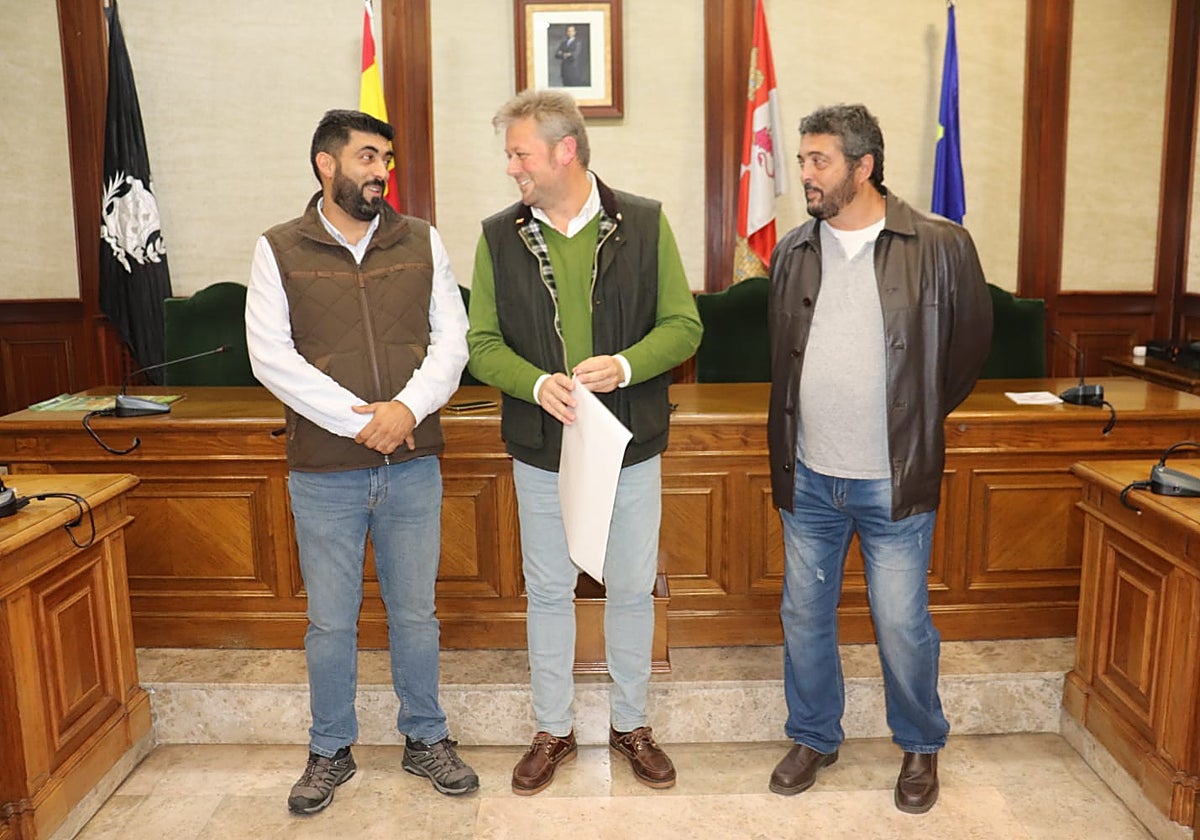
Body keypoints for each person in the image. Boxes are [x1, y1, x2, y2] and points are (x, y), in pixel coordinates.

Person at [467, 89, 702, 796]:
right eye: (511, 154)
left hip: (630, 442)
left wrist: (627, 365)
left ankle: (632, 724)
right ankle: (553, 728)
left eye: (520, 153)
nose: (512, 168)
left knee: (630, 587)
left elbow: (684, 328)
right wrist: (537, 384)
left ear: (565, 150)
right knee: (547, 590)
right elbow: (481, 344)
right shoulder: (497, 235)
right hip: (542, 444)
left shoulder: (646, 223)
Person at [246, 109, 478, 815]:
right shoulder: (278, 247)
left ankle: (425, 738)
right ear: (327, 163)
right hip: (324, 470)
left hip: (411, 462)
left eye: (387, 160)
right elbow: (270, 358)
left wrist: (404, 412)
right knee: (330, 621)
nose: (382, 172)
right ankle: (329, 750)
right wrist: (363, 421)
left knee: (415, 614)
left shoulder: (422, 241)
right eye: (369, 157)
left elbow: (452, 342)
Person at [765, 103, 992, 814]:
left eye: (819, 161)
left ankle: (920, 744)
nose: (805, 174)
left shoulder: (940, 244)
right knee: (803, 613)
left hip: (893, 481)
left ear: (863, 167)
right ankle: (813, 735)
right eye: (803, 160)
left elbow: (967, 352)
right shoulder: (794, 249)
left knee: (900, 621)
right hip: (808, 475)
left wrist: (914, 420)